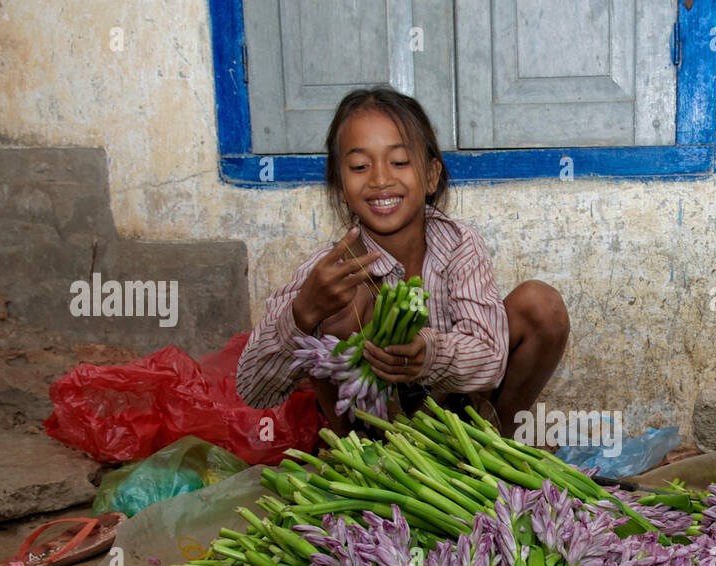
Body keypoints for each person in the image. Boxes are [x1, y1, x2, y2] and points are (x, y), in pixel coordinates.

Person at [235, 86, 570, 439]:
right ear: (340, 186)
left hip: (460, 415)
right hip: (378, 435)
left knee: (541, 305)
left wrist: (430, 354)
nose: (380, 179)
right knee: (343, 302)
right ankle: (361, 455)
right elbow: (254, 390)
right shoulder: (331, 269)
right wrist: (302, 313)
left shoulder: (459, 245)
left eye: (399, 162)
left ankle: (496, 441)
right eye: (360, 166)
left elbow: (490, 360)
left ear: (430, 175)